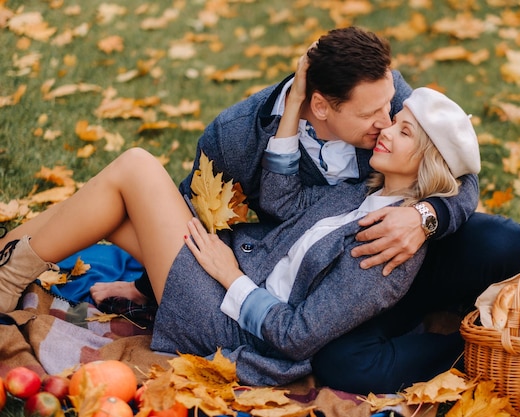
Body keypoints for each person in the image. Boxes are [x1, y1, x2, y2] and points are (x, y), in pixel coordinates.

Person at [1, 86, 479, 388]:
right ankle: (7, 264)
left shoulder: (388, 246)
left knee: (137, 168)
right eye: (393, 121)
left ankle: (7, 276)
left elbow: (297, 337)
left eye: (404, 132)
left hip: (228, 322)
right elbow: (284, 203)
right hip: (226, 272)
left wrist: (231, 278)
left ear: (428, 163)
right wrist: (292, 109)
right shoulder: (363, 192)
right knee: (106, 208)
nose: (385, 129)